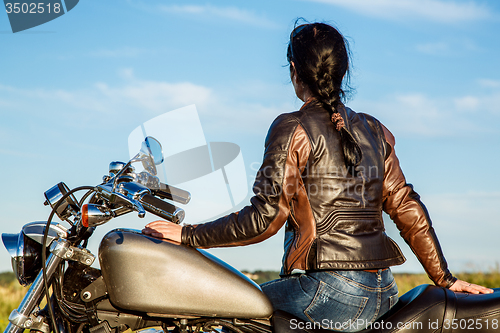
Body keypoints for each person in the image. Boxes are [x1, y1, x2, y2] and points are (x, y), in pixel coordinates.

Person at [143, 22, 492, 331]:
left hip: (331, 294)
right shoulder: (374, 128)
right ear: (344, 69)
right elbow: (405, 205)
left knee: (225, 314)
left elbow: (264, 218)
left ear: (295, 71)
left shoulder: (291, 128)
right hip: (384, 290)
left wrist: (186, 235)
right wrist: (445, 278)